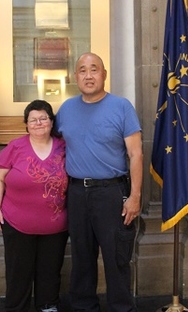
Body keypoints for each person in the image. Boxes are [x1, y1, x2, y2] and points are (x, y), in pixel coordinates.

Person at [56, 52, 143, 312]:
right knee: (82, 258)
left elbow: (136, 154)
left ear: (104, 75)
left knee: (116, 259)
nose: (88, 75)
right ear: (75, 77)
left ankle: (121, 309)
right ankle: (84, 308)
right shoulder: (66, 109)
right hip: (76, 193)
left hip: (112, 193)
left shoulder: (122, 107)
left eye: (94, 69)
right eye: (82, 70)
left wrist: (135, 196)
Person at [0, 99, 68, 312]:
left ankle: (48, 306)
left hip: (56, 227)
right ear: (26, 124)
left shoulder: (64, 147)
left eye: (44, 118)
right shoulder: (14, 147)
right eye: (33, 120)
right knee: (18, 273)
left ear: (52, 122)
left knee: (50, 272)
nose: (38, 123)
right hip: (16, 224)